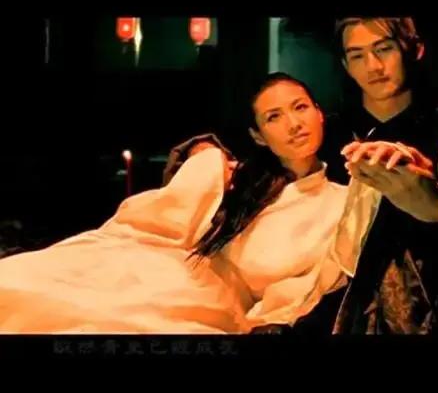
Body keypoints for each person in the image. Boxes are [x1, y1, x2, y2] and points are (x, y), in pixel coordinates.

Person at [165, 17, 438, 335]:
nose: (373, 66)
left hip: (409, 305)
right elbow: (248, 150)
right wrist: (202, 154)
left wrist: (436, 205)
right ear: (346, 64)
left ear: (414, 50)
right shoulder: (327, 131)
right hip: (303, 295)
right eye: (357, 55)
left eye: (384, 49)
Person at [0, 73, 381, 333]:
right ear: (258, 136)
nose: (294, 124)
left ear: (319, 113)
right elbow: (168, 217)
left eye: (300, 107)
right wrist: (205, 159)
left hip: (212, 306)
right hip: (163, 270)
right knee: (26, 286)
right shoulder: (233, 178)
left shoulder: (341, 203)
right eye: (274, 117)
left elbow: (306, 288)